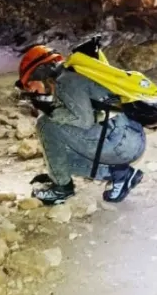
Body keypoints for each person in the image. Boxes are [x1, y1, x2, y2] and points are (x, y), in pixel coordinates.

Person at [17, 45, 147, 205]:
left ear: (40, 73)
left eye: (30, 84)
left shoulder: (66, 81)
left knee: (45, 124)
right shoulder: (72, 75)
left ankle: (61, 188)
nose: (32, 90)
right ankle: (120, 174)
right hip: (128, 136)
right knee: (60, 158)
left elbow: (84, 121)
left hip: (121, 142)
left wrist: (51, 111)